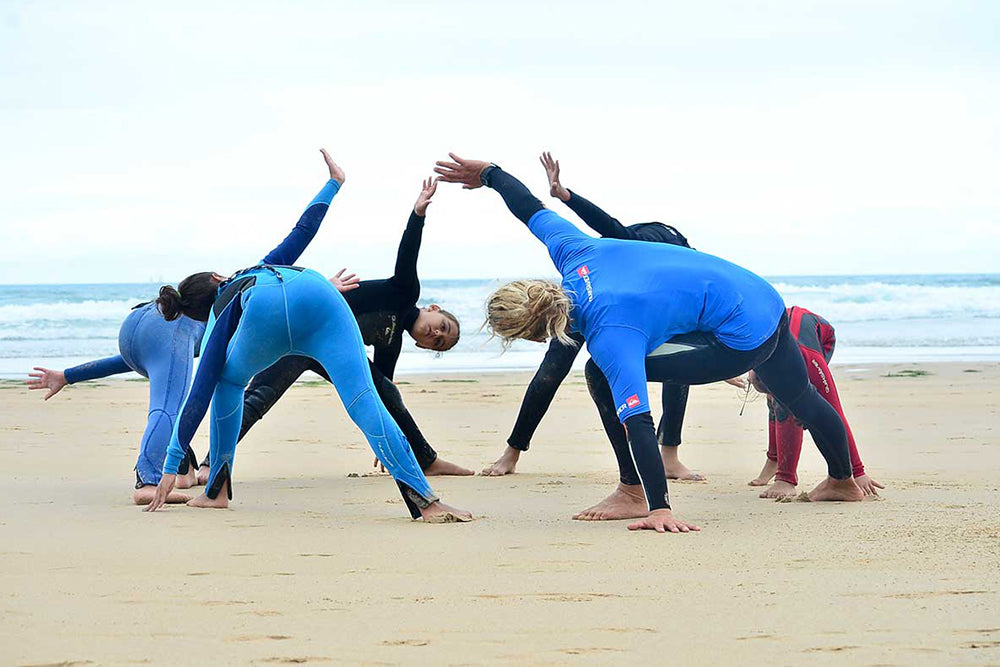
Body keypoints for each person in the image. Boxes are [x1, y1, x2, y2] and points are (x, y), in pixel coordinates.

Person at [435, 153, 862, 533]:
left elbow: (637, 418)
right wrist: (490, 173)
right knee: (798, 393)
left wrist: (659, 508)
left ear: (537, 333)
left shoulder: (610, 333)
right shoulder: (573, 250)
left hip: (739, 340)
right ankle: (843, 480)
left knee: (598, 372)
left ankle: (633, 492)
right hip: (762, 299)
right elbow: (528, 207)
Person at [143, 150, 470, 523]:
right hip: (320, 296)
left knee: (228, 382)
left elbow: (200, 391)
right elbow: (304, 230)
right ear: (218, 276)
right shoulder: (261, 266)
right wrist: (333, 184)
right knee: (366, 401)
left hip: (266, 315)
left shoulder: (222, 310)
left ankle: (216, 490)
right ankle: (426, 503)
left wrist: (172, 461)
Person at [195, 177, 474, 484]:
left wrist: (387, 442)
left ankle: (423, 459)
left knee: (388, 393)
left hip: (327, 350)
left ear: (424, 348)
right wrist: (417, 214)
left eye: (438, 344)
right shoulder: (405, 291)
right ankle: (211, 464)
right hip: (299, 334)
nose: (436, 335)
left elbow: (379, 395)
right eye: (442, 328)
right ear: (433, 308)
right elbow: (408, 252)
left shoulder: (390, 345)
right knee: (260, 397)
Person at [483, 153, 703, 481]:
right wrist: (566, 196)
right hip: (591, 294)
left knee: (667, 368)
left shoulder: (674, 267)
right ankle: (514, 448)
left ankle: (667, 455)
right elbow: (610, 227)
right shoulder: (638, 248)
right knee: (552, 370)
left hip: (616, 301)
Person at [27, 303, 206, 505]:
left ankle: (185, 469)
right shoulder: (203, 321)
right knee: (166, 410)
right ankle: (149, 484)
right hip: (170, 332)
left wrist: (67, 376)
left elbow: (141, 356)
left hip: (133, 328)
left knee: (171, 408)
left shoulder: (187, 302)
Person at [747, 306, 884, 498]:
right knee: (778, 403)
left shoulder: (808, 358)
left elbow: (835, 415)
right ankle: (774, 460)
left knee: (803, 407)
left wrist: (858, 472)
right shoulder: (758, 356)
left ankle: (786, 478)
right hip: (781, 334)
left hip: (818, 341)